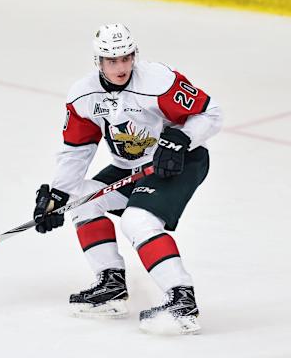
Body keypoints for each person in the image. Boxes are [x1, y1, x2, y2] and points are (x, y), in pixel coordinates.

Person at [33, 23, 222, 334]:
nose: (121, 67)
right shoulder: (84, 96)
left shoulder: (159, 81)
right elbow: (77, 150)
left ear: (134, 55)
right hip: (130, 168)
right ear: (98, 61)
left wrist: (183, 138)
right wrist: (57, 195)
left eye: (126, 58)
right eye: (112, 60)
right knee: (78, 201)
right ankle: (111, 284)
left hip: (178, 163)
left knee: (137, 221)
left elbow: (211, 112)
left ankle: (181, 299)